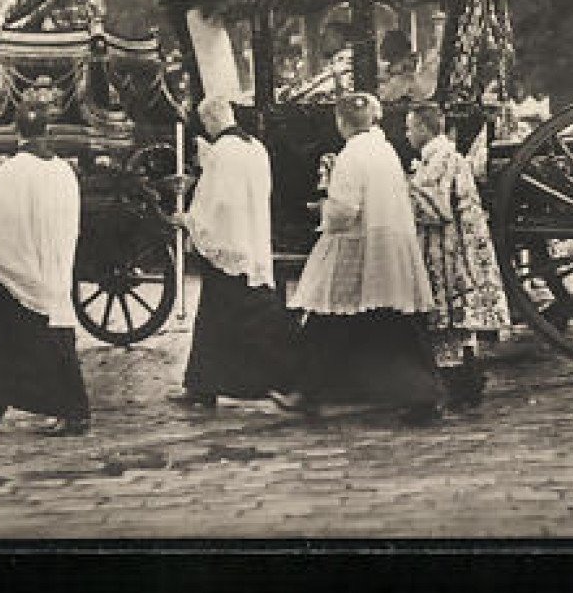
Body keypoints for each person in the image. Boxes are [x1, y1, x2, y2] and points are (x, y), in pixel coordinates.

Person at [281, 93, 444, 425]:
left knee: (328, 313)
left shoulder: (350, 155)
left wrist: (323, 209)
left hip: (360, 246)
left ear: (341, 123)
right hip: (391, 243)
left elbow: (344, 211)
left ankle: (310, 391)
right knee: (393, 318)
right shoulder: (385, 150)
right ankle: (418, 394)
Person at [0, 87, 90, 436]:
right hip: (54, 263)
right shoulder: (63, 170)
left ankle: (72, 409)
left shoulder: (14, 170)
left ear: (17, 132)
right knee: (6, 331)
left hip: (26, 269)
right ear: (47, 131)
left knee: (26, 332)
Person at [169, 97, 298, 408]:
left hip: (228, 243)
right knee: (214, 314)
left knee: (241, 314)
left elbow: (217, 203)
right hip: (250, 236)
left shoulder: (222, 152)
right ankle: (203, 384)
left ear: (210, 121)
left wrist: (188, 219)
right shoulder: (255, 146)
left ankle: (286, 381)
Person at [404, 102, 512, 408]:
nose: (407, 134)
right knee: (460, 325)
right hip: (462, 248)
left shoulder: (438, 161)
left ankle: (458, 390)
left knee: (447, 322)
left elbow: (435, 209)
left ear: (425, 129)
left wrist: (405, 191)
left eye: (410, 128)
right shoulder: (450, 156)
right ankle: (469, 383)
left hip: (447, 251)